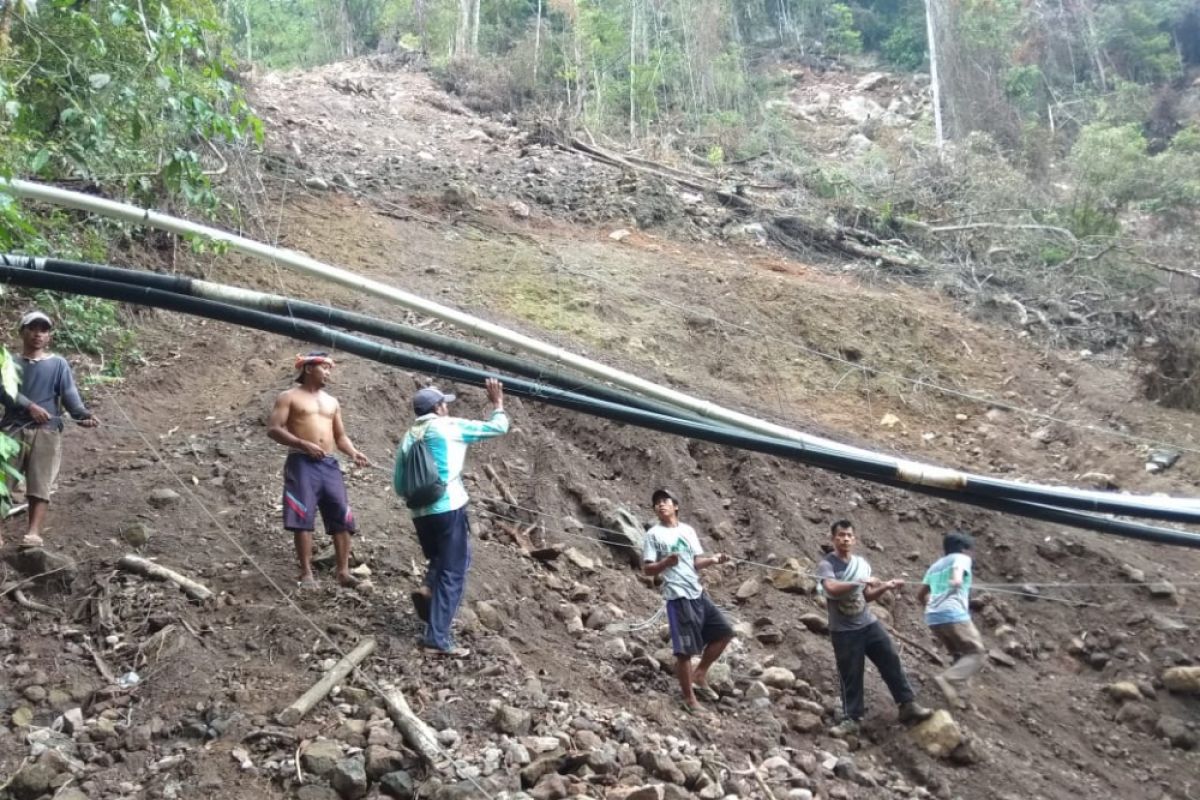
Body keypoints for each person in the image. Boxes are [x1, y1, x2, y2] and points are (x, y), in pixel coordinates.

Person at [393, 378, 509, 658]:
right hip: (448, 507)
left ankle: (428, 588)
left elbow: (398, 484)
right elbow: (498, 427)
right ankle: (437, 637)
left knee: (441, 560)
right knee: (454, 572)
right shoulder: (449, 427)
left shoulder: (408, 436)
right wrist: (498, 404)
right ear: (439, 407)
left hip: (420, 513)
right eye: (445, 403)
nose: (447, 406)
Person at [817, 519, 932, 737]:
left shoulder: (860, 564)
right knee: (851, 674)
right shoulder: (827, 565)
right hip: (844, 631)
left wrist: (885, 587)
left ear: (855, 539)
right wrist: (858, 582)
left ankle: (907, 704)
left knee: (890, 658)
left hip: (868, 623)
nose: (845, 539)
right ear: (833, 539)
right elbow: (830, 588)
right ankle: (852, 718)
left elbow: (866, 596)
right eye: (841, 535)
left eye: (849, 535)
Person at [267, 352, 369, 589]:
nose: (328, 373)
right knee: (302, 515)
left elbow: (340, 436)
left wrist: (353, 453)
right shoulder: (288, 397)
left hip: (329, 463)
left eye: (329, 368)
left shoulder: (332, 401)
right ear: (309, 368)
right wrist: (302, 444)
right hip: (301, 461)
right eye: (324, 368)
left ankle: (343, 572)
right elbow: (273, 428)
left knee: (342, 514)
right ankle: (306, 573)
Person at [0, 311, 100, 548]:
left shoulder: (58, 364)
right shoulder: (9, 362)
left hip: (46, 431)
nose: (38, 334)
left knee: (40, 483)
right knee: (2, 483)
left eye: (43, 330)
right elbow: (3, 390)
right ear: (22, 331)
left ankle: (33, 533)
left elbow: (69, 395)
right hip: (12, 430)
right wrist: (30, 406)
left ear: (49, 336)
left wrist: (82, 415)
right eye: (33, 328)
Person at [641, 488, 734, 714]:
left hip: (697, 592)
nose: (660, 505)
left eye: (665, 501)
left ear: (676, 506)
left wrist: (712, 560)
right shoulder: (653, 534)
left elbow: (694, 562)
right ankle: (689, 699)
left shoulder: (688, 531)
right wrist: (665, 564)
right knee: (684, 651)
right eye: (657, 503)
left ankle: (699, 674)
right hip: (677, 597)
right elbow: (646, 569)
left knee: (724, 632)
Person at [916, 531, 985, 710]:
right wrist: (955, 581)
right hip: (954, 614)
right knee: (976, 653)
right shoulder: (962, 559)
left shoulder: (935, 566)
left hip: (934, 618)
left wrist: (934, 606)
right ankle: (948, 679)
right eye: (971, 551)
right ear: (964, 549)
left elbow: (920, 595)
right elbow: (956, 577)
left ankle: (960, 698)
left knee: (960, 655)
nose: (973, 555)